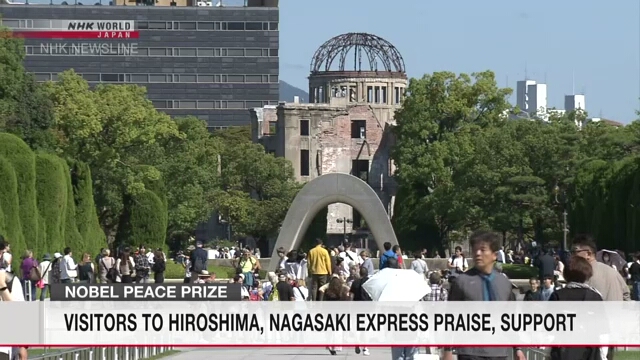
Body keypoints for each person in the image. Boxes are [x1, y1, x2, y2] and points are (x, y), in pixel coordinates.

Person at [444, 230, 525, 360]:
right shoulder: (461, 281)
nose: (477, 254)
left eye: (483, 250)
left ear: (495, 255)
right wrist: (447, 349)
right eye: (475, 250)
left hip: (498, 351)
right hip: (470, 351)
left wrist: (518, 348)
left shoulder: (504, 283)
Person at [571, 234, 630, 360]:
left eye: (575, 251)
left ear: (588, 253)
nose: (572, 256)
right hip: (613, 326)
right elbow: (626, 294)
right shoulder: (613, 272)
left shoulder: (584, 274)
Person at [548, 256, 604, 360]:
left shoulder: (557, 296)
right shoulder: (595, 297)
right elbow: (602, 331)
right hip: (590, 352)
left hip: (562, 351)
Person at [349, 267, 371, 356]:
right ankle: (365, 348)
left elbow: (351, 295)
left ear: (360, 273)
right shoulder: (370, 282)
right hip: (367, 307)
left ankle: (357, 342)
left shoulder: (355, 282)